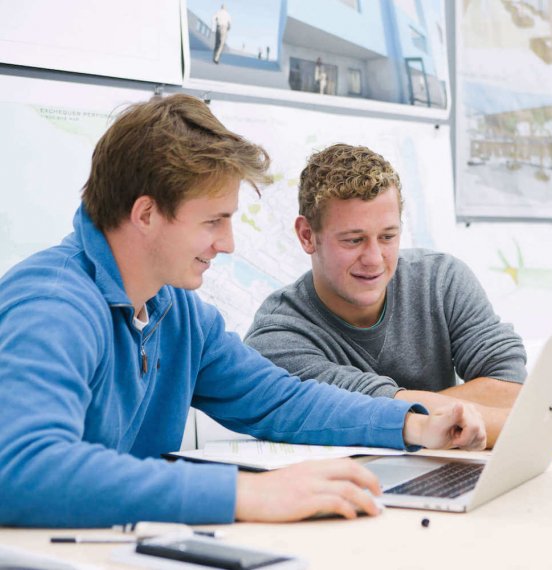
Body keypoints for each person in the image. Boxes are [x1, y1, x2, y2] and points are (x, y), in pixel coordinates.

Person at [0, 96, 486, 528]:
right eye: (213, 221)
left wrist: (412, 424)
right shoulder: (53, 305)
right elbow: (23, 468)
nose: (227, 244)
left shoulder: (179, 313)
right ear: (145, 214)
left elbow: (281, 401)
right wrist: (244, 493)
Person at [245, 143, 552, 453]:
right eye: (353, 240)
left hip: (450, 472)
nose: (374, 259)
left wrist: (420, 410)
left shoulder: (440, 279)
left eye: (387, 236)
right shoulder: (278, 336)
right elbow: (376, 412)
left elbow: (507, 380)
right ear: (306, 235)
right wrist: (550, 426)